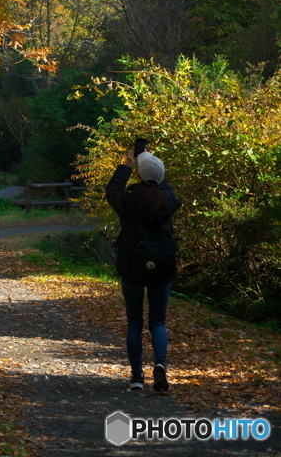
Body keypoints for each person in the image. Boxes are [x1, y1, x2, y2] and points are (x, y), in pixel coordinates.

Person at [105, 146, 181, 393]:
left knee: (135, 324)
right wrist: (151, 162)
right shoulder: (168, 200)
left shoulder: (128, 201)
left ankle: (137, 377)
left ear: (139, 175)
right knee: (158, 322)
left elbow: (112, 190)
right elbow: (163, 184)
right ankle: (160, 364)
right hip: (162, 269)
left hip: (133, 268)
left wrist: (127, 165)